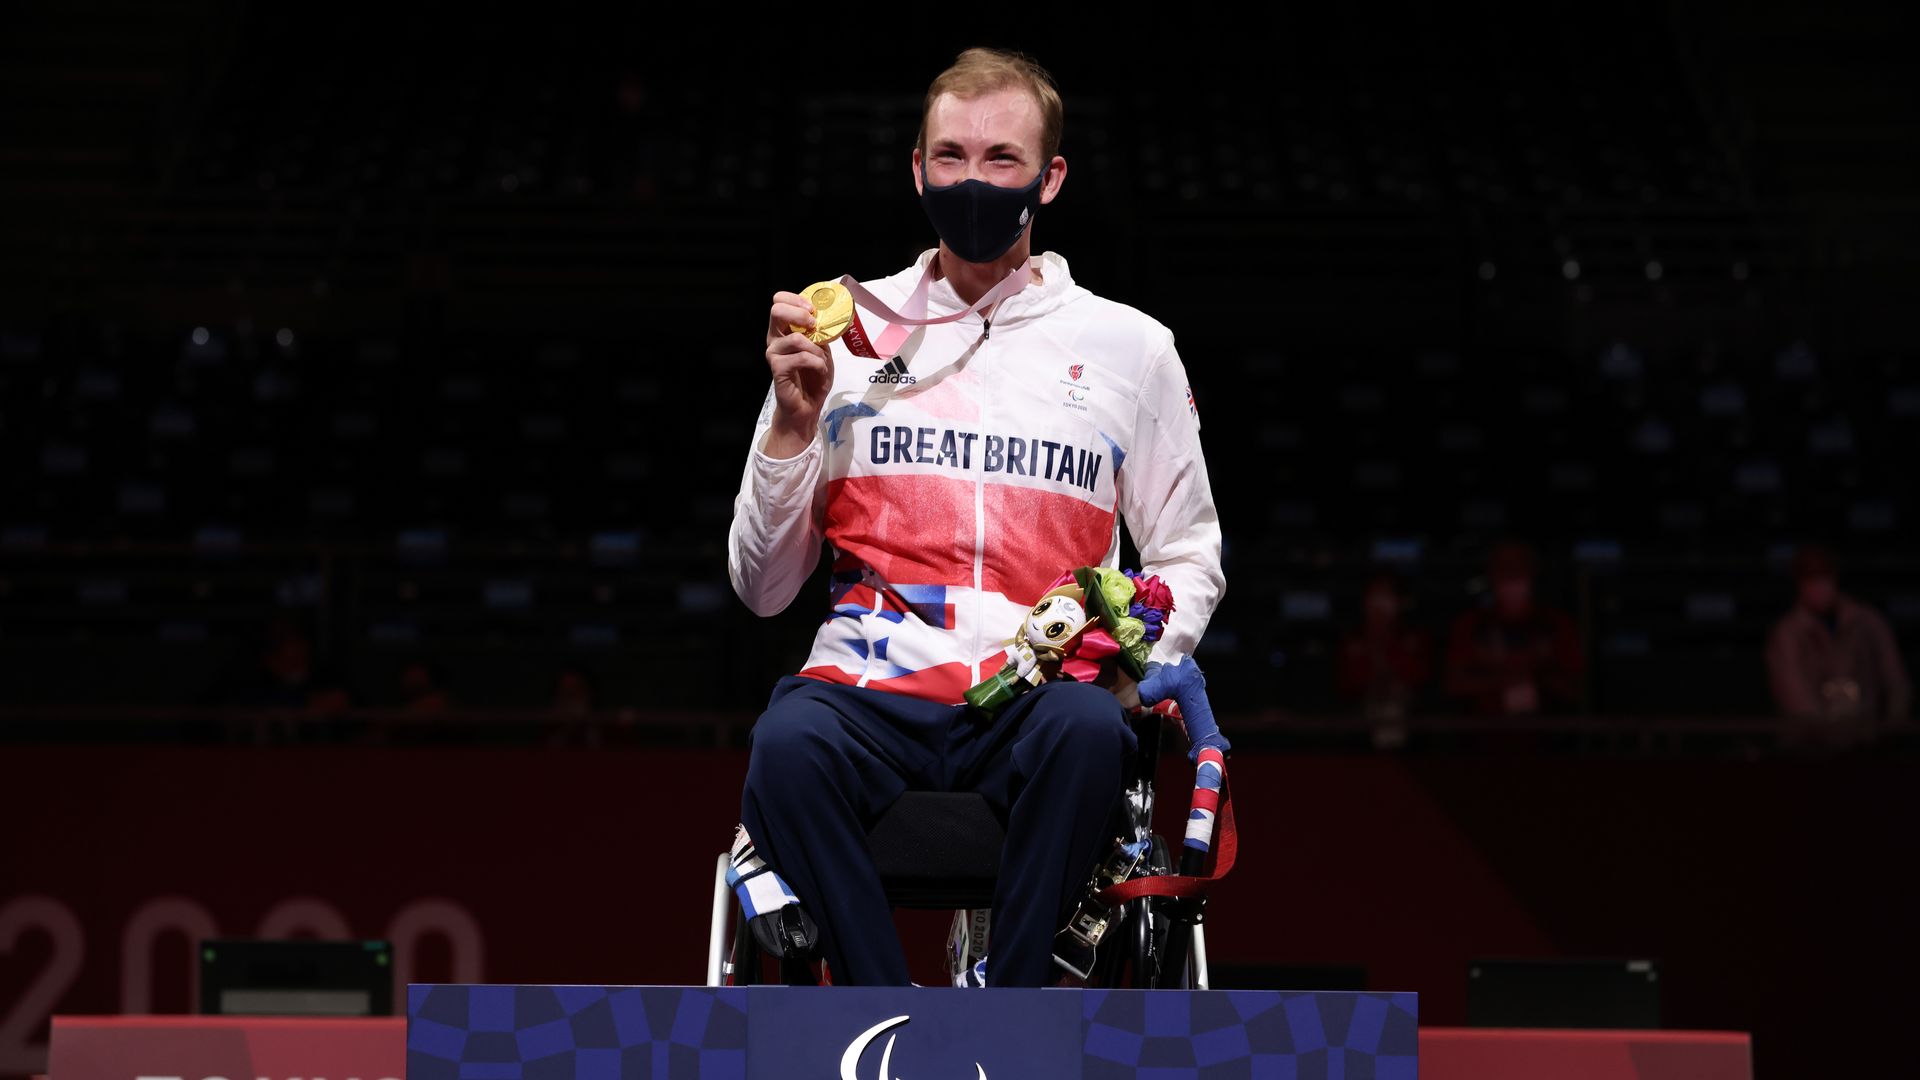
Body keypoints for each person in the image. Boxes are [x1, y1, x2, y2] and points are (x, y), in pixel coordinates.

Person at [725, 48, 1226, 987]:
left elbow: (1191, 548)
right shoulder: (843, 337)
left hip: (1040, 695)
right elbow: (761, 590)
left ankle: (1017, 1009)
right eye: (950, 156)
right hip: (870, 691)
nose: (973, 179)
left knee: (1085, 735)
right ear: (917, 170)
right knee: (785, 746)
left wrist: (1137, 661)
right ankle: (886, 1018)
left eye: (1002, 158)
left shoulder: (1130, 348)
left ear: (1051, 176)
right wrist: (794, 427)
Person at [1766, 545, 1910, 729]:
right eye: (1810, 580)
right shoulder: (1786, 634)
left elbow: (1896, 682)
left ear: (1835, 579)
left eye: (1824, 578)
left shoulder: (1868, 622)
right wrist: (1826, 735)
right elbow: (1794, 694)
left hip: (1869, 740)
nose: (1818, 588)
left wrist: (1891, 728)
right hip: (1810, 747)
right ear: (1799, 585)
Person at [1442, 542, 1583, 715]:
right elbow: (1453, 684)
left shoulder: (1556, 623)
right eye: (1503, 567)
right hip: (1484, 733)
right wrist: (1503, 678)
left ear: (1533, 572)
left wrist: (1535, 674)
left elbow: (1576, 688)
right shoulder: (1470, 624)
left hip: (1545, 733)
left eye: (1519, 567)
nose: (1511, 575)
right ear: (1491, 573)